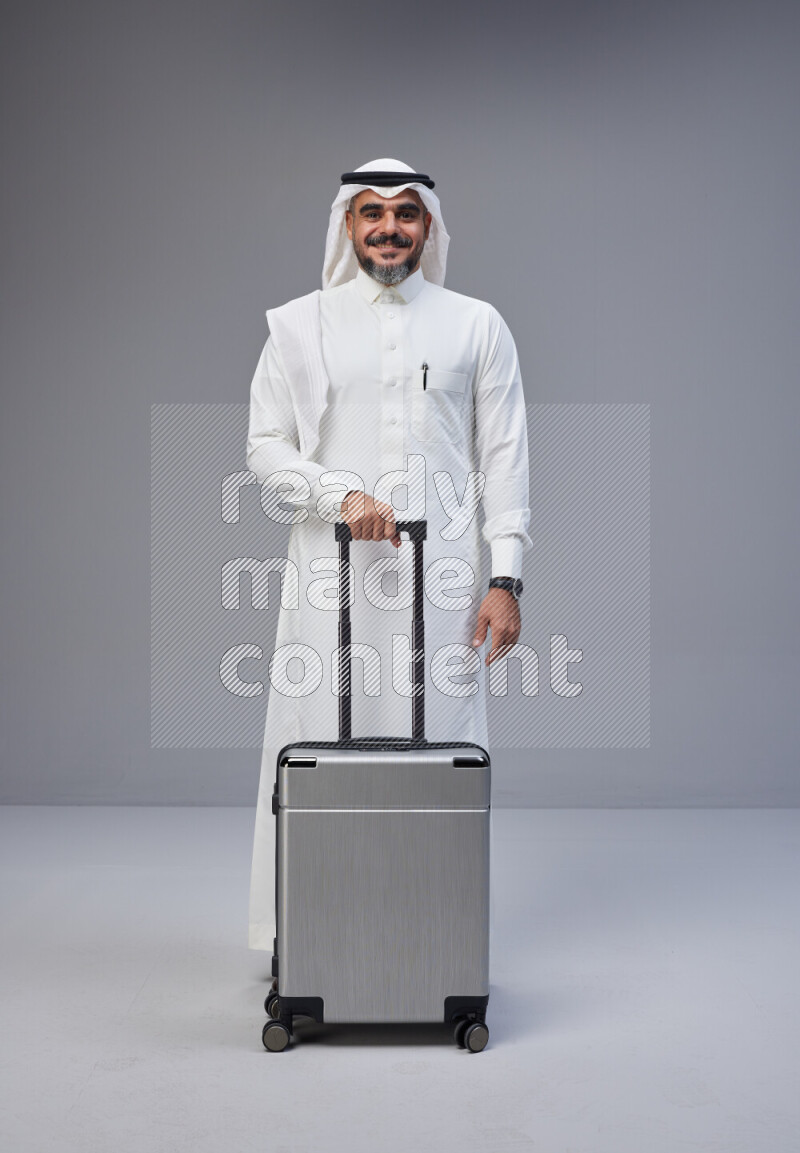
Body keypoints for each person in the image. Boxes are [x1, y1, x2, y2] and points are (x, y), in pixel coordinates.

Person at [245, 158, 531, 952]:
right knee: (318, 744)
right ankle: (310, 940)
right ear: (347, 224)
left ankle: (429, 941)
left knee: (439, 750)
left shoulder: (477, 324)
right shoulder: (300, 325)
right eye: (371, 212)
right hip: (326, 584)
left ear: (429, 226)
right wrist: (340, 492)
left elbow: (503, 459)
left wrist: (505, 576)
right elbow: (263, 448)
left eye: (406, 213)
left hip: (440, 596)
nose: (388, 228)